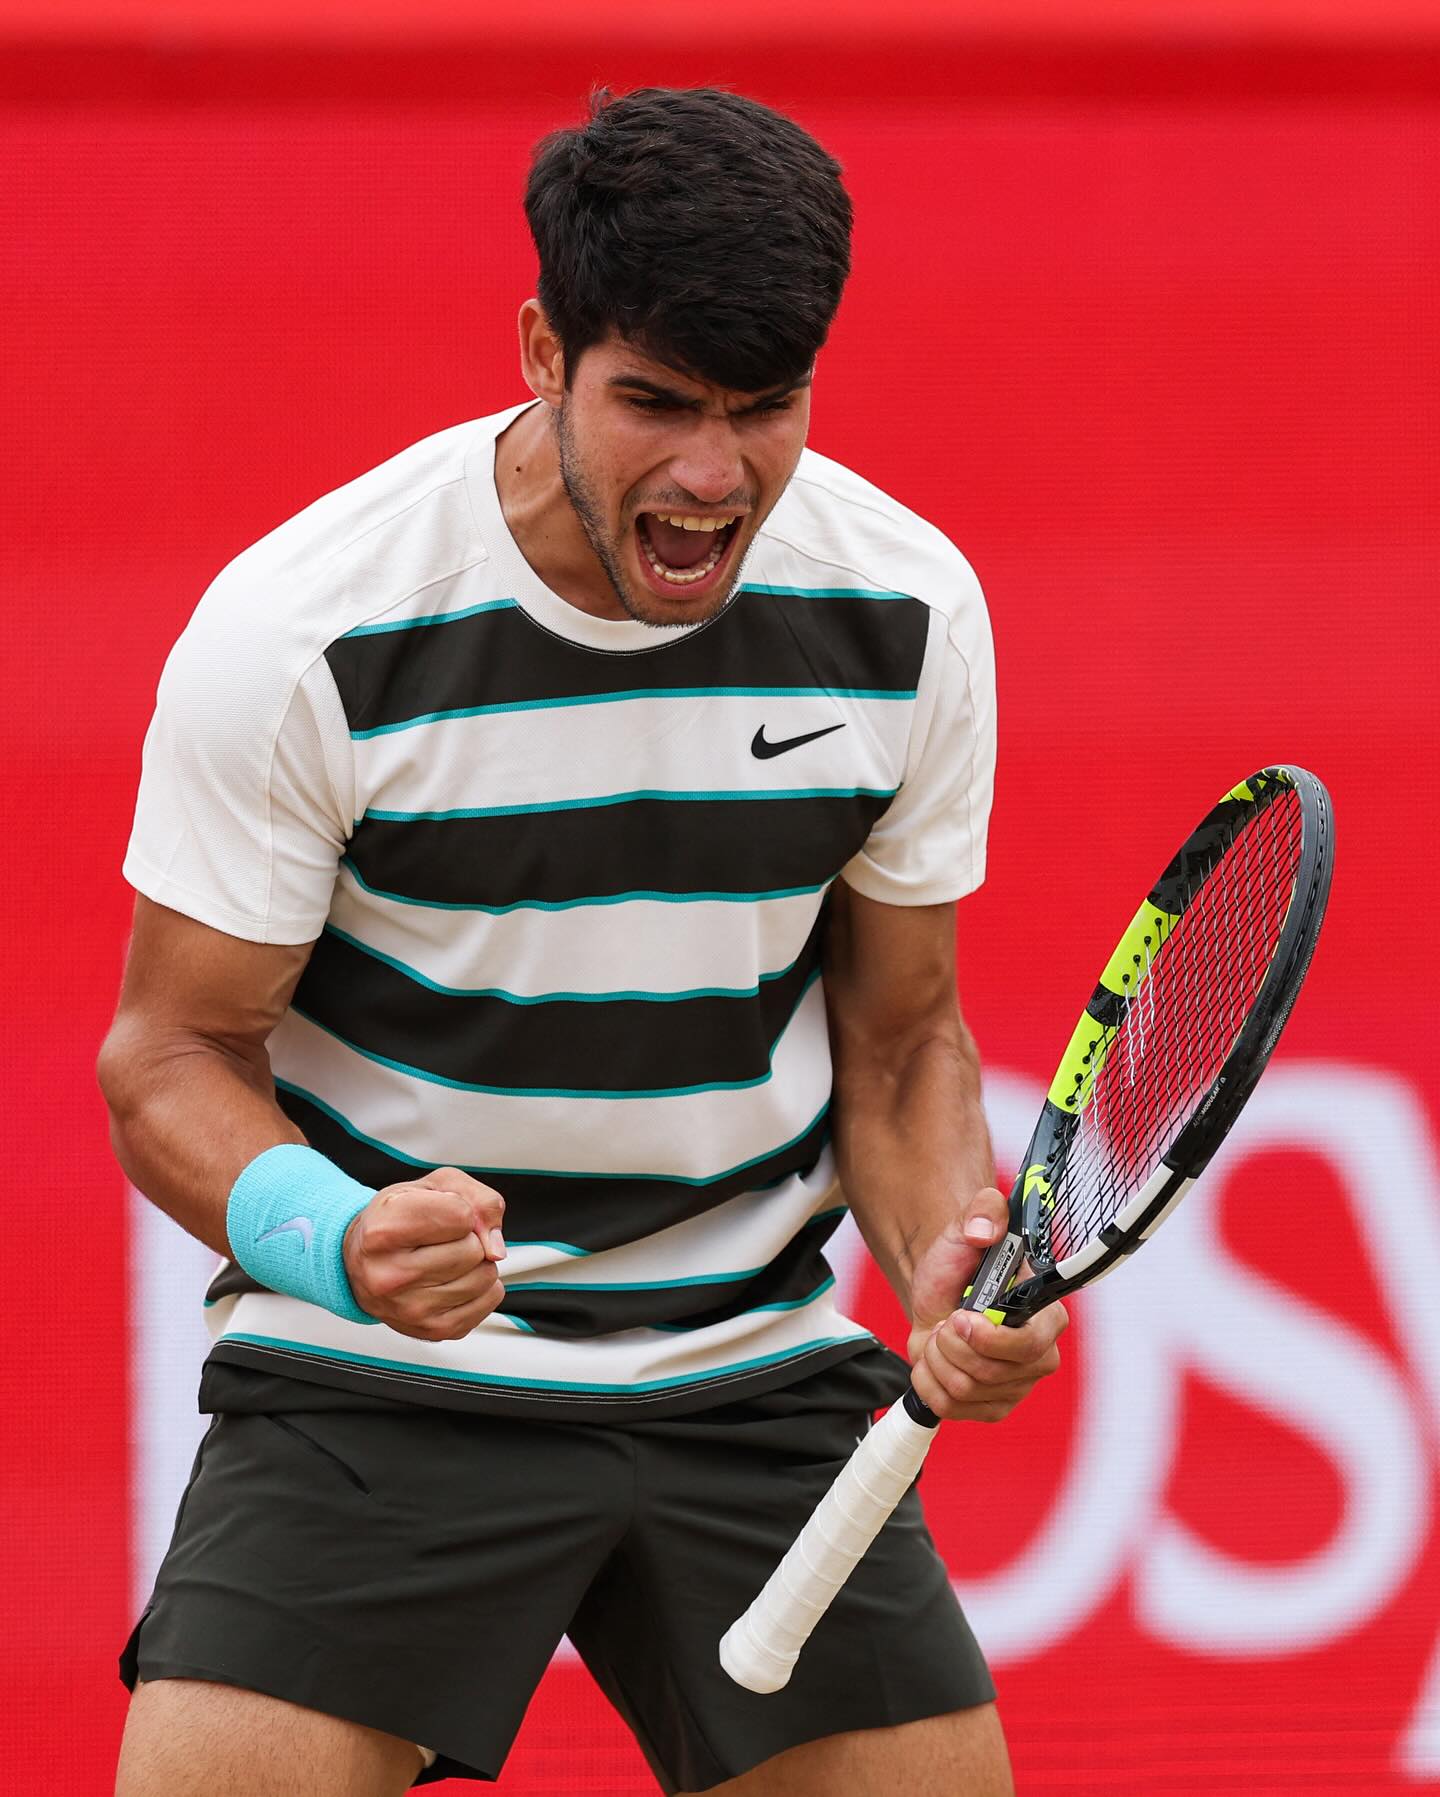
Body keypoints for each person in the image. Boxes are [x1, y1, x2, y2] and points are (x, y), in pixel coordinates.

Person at [99, 86, 1067, 1797]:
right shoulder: (306, 633)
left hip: (748, 1362)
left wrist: (943, 1249)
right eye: (657, 403)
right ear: (544, 352)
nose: (712, 475)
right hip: (383, 1367)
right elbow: (168, 1057)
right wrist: (340, 1235)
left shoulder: (909, 615)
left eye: (765, 409)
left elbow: (904, 1036)